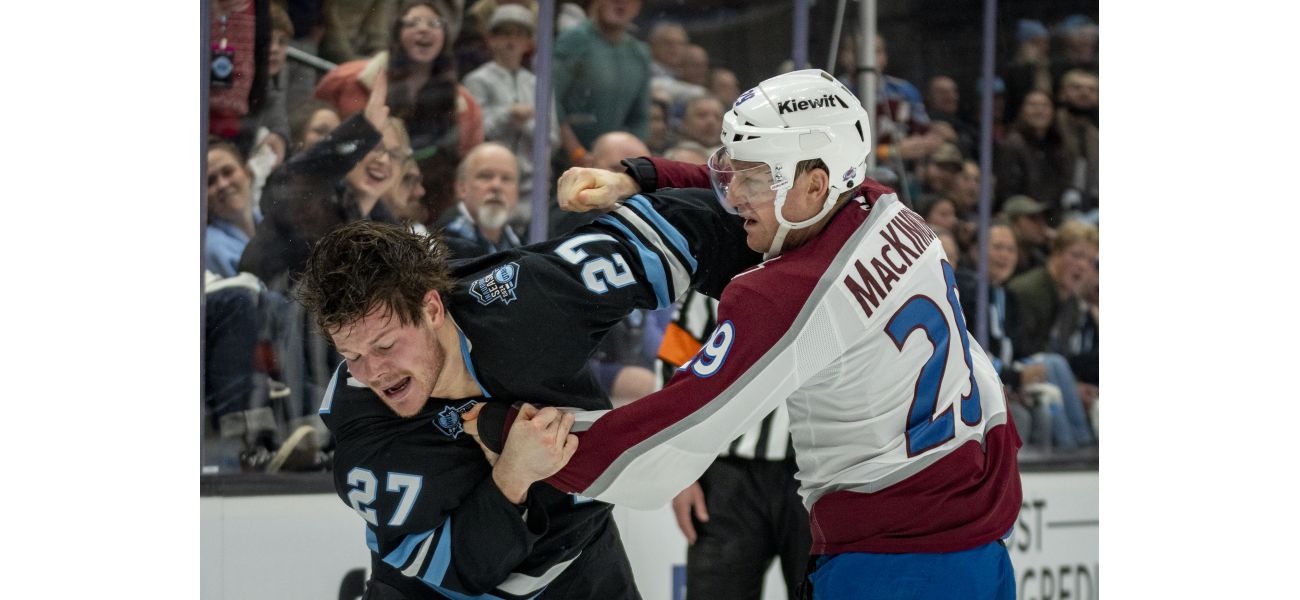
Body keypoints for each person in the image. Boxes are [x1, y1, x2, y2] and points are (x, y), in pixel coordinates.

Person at [472, 69, 1022, 599]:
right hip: (978, 539)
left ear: (814, 183)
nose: (734, 196)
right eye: (733, 172)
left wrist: (513, 433)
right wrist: (642, 177)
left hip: (894, 564)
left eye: (756, 177)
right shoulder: (884, 207)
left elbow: (661, 448)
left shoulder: (790, 292)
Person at [296, 168, 761, 597]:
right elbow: (462, 569)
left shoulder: (525, 303)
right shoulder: (361, 422)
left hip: (578, 561)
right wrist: (513, 475)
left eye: (384, 345)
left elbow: (680, 231)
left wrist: (791, 248)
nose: (372, 372)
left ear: (432, 310)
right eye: (350, 355)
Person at [659, 288, 812, 600]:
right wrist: (680, 470)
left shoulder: (849, 266)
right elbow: (675, 366)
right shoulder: (721, 277)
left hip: (822, 477)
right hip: (727, 478)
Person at [315, 0, 486, 223]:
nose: (423, 29)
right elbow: (315, 133)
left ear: (446, 36)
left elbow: (467, 169)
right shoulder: (348, 80)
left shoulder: (465, 107)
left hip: (429, 217)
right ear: (396, 32)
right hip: (347, 210)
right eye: (413, 23)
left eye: (433, 23)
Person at [463, 4, 560, 209]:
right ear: (491, 40)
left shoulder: (539, 84)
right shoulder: (477, 80)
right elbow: (477, 134)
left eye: (519, 35)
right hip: (490, 182)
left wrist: (525, 124)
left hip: (532, 187)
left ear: (528, 43)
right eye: (505, 34)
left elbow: (552, 139)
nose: (511, 41)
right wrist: (507, 114)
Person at [552, 0, 651, 168]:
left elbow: (640, 118)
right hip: (566, 162)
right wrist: (576, 152)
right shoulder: (574, 39)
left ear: (638, 7)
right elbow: (551, 100)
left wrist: (632, 161)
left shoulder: (639, 53)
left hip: (616, 165)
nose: (621, 4)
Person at [436, 142, 525, 258]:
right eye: (485, 176)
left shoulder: (519, 242)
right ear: (461, 188)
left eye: (506, 178)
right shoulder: (440, 242)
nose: (496, 186)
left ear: (516, 193)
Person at [206, 139, 258, 278]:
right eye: (210, 181)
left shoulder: (268, 220)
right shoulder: (213, 248)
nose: (222, 184)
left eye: (228, 172)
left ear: (247, 174)